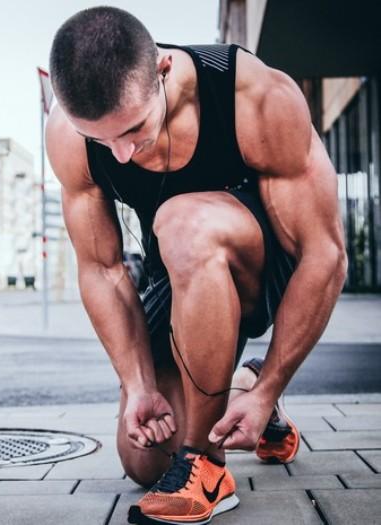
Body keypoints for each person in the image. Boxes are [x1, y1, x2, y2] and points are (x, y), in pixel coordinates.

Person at [45, 7, 347, 525]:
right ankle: (241, 393)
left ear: (163, 71)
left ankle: (205, 466)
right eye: (101, 140)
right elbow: (102, 268)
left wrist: (277, 379)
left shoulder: (251, 94)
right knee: (143, 459)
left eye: (134, 129)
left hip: (262, 265)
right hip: (178, 271)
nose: (119, 154)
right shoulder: (69, 132)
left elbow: (325, 254)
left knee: (182, 221)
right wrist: (137, 383)